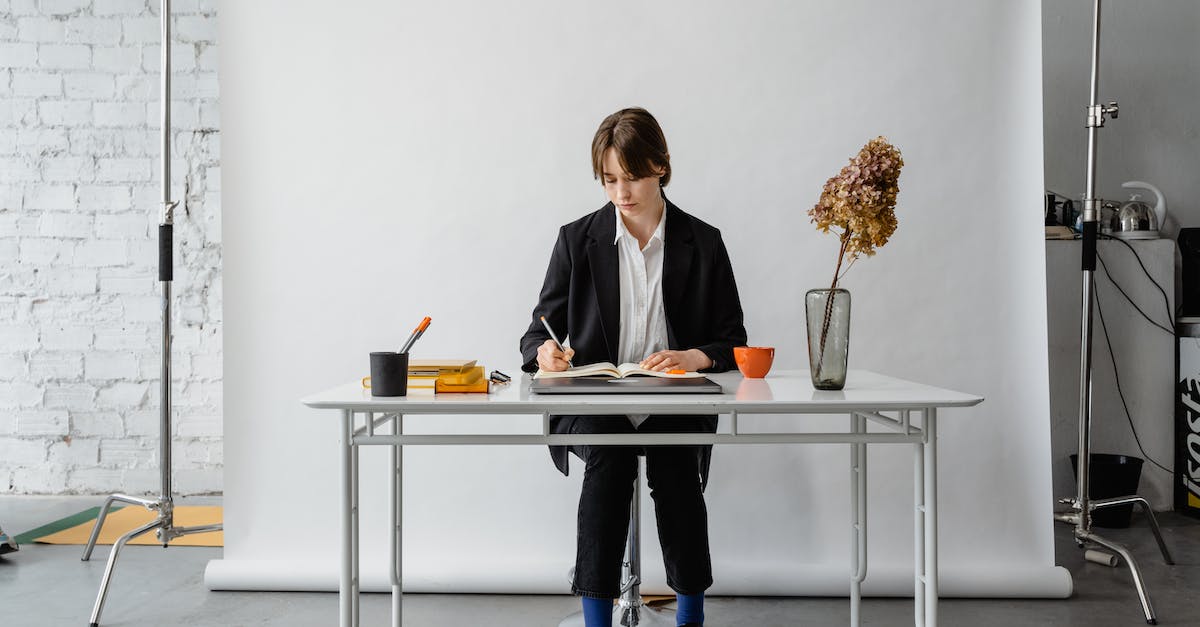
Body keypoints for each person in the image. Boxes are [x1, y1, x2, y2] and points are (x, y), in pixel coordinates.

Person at [520, 107, 747, 627]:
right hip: (600, 401)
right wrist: (545, 354)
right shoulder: (577, 241)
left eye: (633, 176)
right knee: (609, 463)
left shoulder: (703, 242)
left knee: (676, 478)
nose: (622, 192)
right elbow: (536, 331)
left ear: (661, 167)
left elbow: (733, 341)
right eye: (610, 179)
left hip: (675, 400)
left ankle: (690, 615)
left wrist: (694, 357)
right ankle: (596, 619)